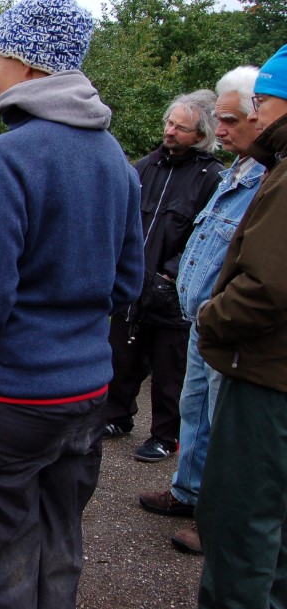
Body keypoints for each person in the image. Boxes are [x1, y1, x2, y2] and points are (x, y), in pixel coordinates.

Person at [0, 0, 143, 608]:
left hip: (5, 403)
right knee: (57, 551)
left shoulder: (7, 157)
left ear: (30, 66)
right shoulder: (118, 163)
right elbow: (127, 286)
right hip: (85, 396)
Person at [137, 67, 263, 555]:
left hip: (224, 324)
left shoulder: (262, 177)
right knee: (197, 412)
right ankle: (188, 492)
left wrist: (207, 304)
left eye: (229, 118)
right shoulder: (238, 171)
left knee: (225, 425)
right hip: (201, 320)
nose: (222, 128)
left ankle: (217, 521)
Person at [194, 43, 287, 607]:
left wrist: (210, 317)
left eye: (262, 102)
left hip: (268, 378)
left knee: (241, 519)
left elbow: (268, 286)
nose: (255, 116)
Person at [103, 91, 225, 462]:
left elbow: (205, 237)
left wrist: (171, 276)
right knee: (122, 354)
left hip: (172, 289)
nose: (170, 131)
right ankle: (117, 415)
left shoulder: (211, 177)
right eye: (169, 123)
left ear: (201, 133)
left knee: (169, 368)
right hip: (133, 281)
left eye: (180, 127)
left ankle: (165, 435)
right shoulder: (145, 167)